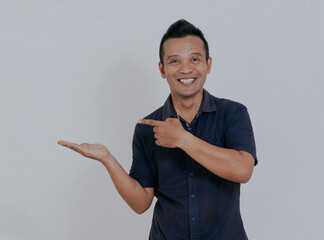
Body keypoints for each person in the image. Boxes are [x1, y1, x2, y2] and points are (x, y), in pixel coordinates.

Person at [58, 19, 257, 240]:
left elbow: (242, 170)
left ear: (208, 64)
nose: (185, 69)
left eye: (195, 59)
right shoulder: (146, 128)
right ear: (162, 69)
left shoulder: (232, 113)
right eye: (174, 61)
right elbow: (141, 202)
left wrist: (183, 139)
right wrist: (107, 159)